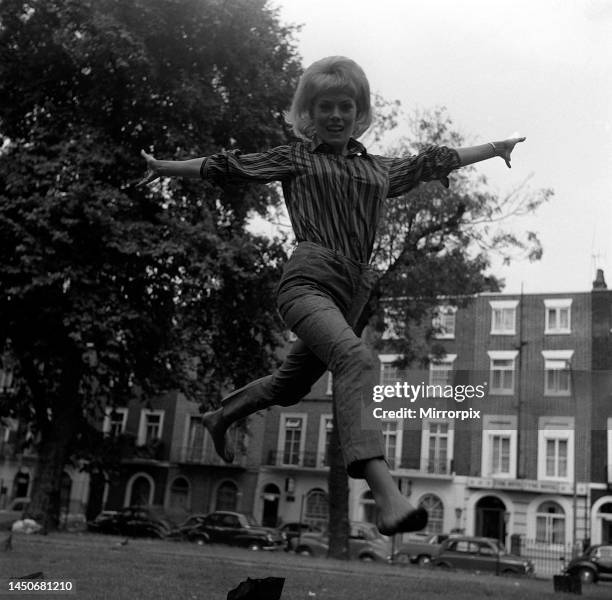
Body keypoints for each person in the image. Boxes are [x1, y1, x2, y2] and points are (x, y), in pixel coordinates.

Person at [139, 56, 525, 536]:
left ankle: (221, 415)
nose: (336, 115)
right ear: (310, 111)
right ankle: (387, 496)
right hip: (307, 280)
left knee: (290, 385)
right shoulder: (295, 158)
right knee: (357, 360)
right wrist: (166, 167)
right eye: (326, 106)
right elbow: (231, 166)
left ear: (359, 111)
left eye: (346, 106)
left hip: (352, 292)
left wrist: (495, 148)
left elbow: (434, 162)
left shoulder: (380, 171)